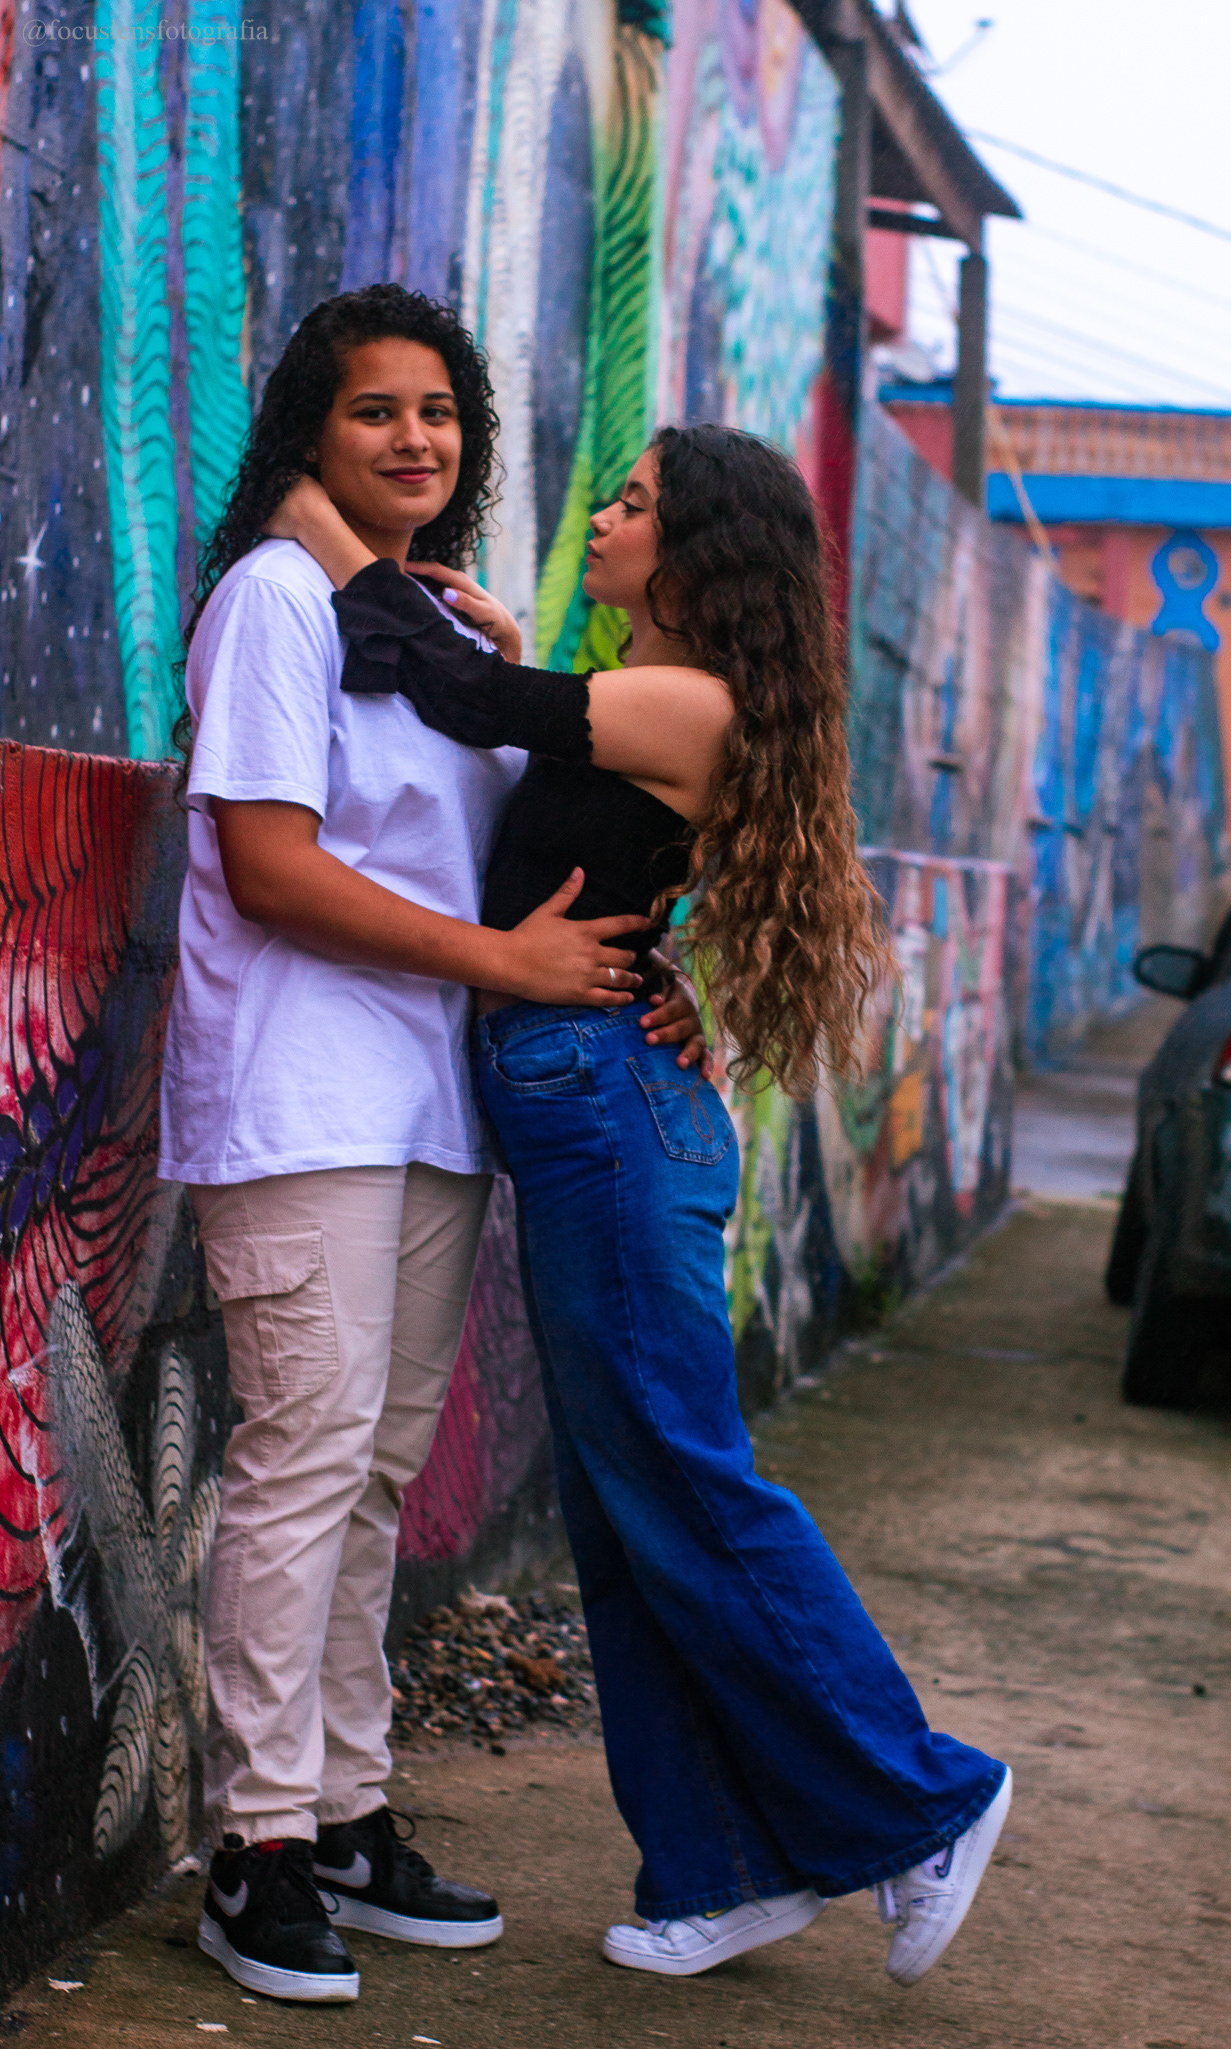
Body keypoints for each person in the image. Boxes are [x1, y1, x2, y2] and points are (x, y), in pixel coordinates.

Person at [272, 421, 1013, 1991]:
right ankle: (718, 1866)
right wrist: (491, 644)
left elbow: (459, 698)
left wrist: (320, 524)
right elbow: (516, 731)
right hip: (589, 1106)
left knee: (681, 1474)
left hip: (608, 1115)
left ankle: (921, 1800)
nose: (603, 517)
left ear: (698, 556)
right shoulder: (652, 697)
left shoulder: (685, 700)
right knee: (625, 1508)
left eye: (632, 504)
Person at [158, 284, 704, 2006]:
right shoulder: (275, 600)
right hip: (297, 1093)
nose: (415, 438)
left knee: (376, 1468)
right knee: (305, 1457)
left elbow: (523, 842)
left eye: (440, 412)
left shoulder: (432, 630)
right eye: (375, 410)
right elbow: (270, 866)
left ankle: (341, 1808)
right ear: (310, 433)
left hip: (426, 1102)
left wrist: (644, 971)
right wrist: (503, 964)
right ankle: (253, 1846)